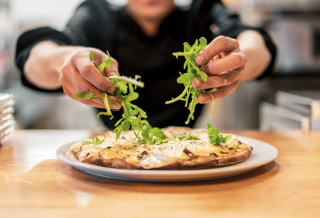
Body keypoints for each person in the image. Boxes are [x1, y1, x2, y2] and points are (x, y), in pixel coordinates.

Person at [15, 0, 276, 129]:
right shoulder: (98, 15)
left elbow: (254, 42)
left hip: (190, 156)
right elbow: (36, 54)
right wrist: (63, 59)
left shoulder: (202, 12)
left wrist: (243, 57)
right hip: (112, 162)